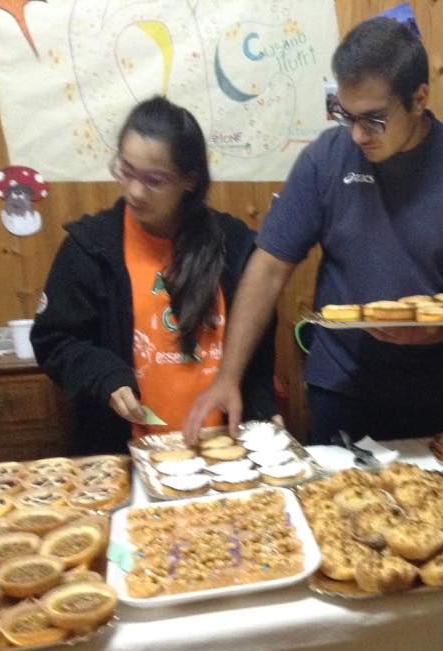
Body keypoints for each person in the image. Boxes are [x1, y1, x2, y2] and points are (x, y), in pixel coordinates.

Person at [183, 17, 443, 445]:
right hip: (343, 389)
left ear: (419, 99)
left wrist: (434, 330)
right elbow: (268, 268)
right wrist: (227, 377)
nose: (358, 134)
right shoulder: (326, 159)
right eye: (347, 115)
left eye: (375, 119)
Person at [31, 96, 276, 454]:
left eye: (155, 180)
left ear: (189, 180)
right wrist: (105, 377)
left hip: (223, 448)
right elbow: (56, 340)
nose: (135, 191)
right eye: (126, 170)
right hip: (126, 452)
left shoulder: (234, 245)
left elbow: (258, 348)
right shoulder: (90, 248)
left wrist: (264, 411)